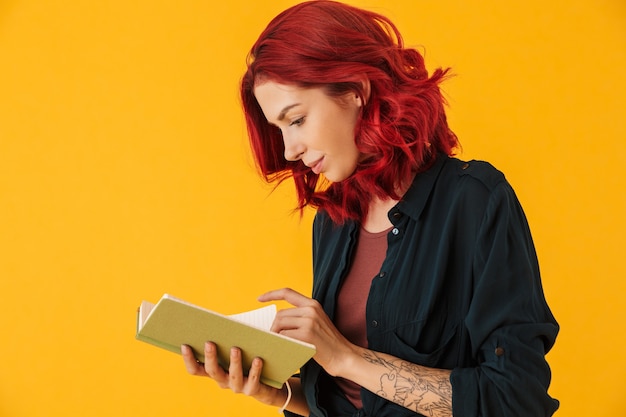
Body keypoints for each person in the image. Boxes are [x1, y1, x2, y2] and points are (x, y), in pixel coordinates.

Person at [181, 1, 560, 416]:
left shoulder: (474, 201)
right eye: (278, 128)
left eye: (296, 120)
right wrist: (274, 392)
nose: (290, 150)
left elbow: (515, 401)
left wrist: (344, 356)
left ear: (356, 90)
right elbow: (354, 401)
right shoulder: (332, 221)